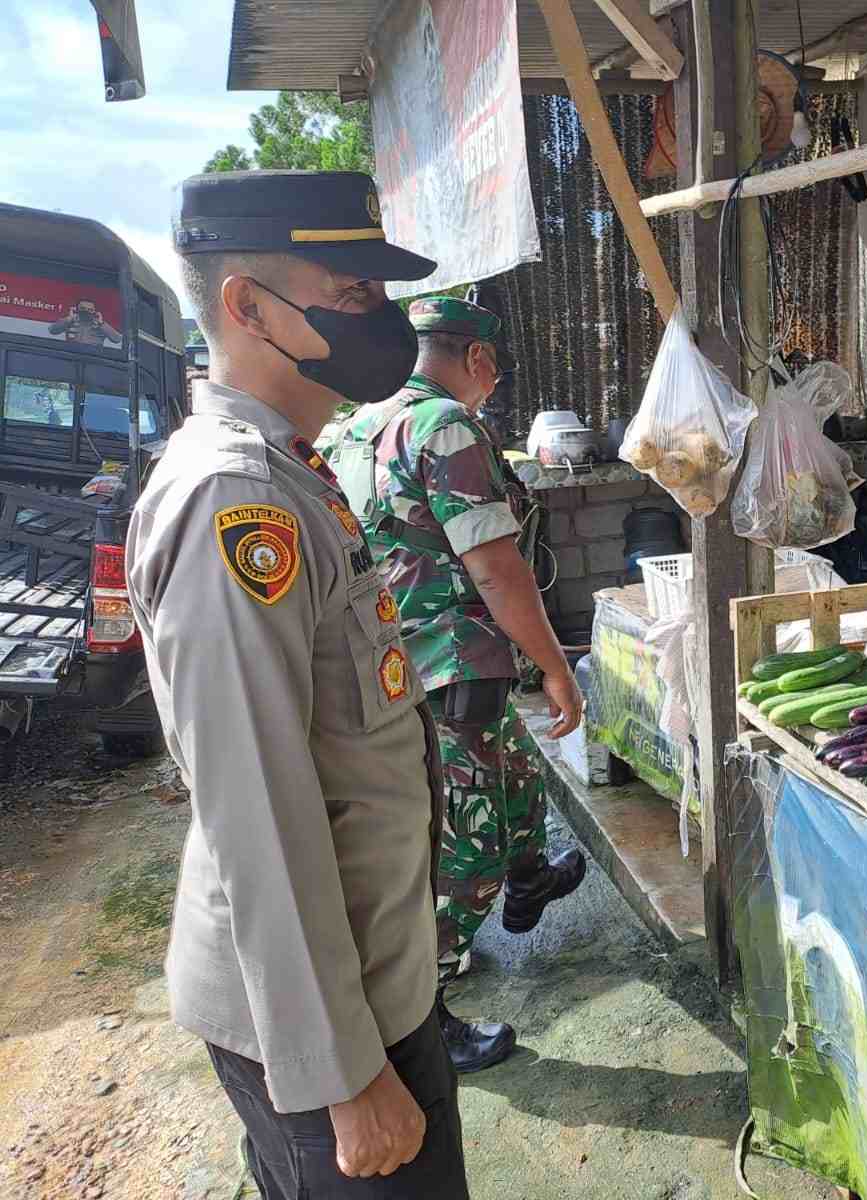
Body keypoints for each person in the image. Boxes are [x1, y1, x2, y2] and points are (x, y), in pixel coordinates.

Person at [129, 171, 468, 1195]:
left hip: (372, 990)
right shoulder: (237, 501)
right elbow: (258, 808)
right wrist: (342, 1072)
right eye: (353, 292)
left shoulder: (294, 473)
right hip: (329, 1034)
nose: (384, 319)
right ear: (248, 308)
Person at [325, 295, 585, 1075]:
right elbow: (497, 569)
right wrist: (557, 667)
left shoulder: (350, 428)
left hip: (392, 664)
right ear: (475, 359)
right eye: (493, 369)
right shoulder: (443, 426)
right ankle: (422, 1015)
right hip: (449, 666)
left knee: (516, 779)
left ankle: (531, 878)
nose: (492, 383)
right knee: (464, 845)